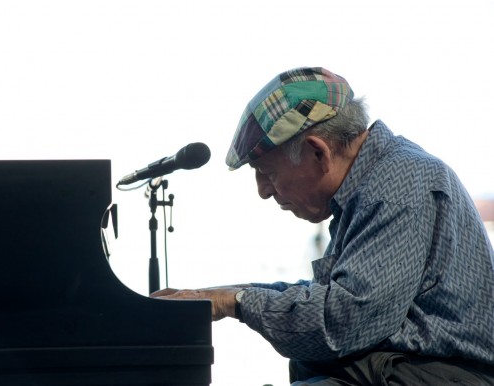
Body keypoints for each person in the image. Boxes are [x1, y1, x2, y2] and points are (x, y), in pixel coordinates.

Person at [151, 67, 494, 385]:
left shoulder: (399, 183)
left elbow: (342, 322)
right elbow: (333, 296)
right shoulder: (375, 180)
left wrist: (235, 302)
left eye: (267, 172)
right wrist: (220, 293)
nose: (263, 191)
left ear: (318, 152)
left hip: (451, 375)